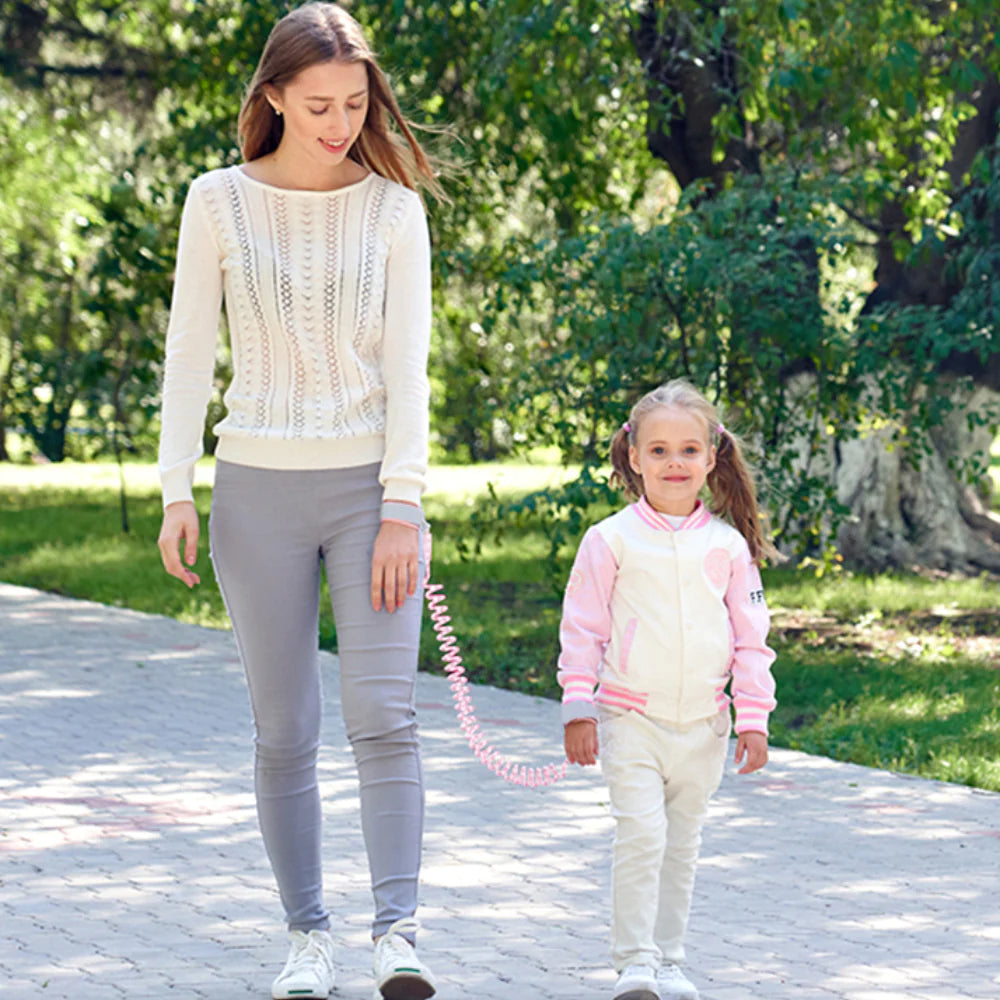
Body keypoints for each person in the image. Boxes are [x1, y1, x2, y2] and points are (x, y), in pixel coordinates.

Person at [156, 5, 443, 999]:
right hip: (254, 490)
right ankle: (306, 938)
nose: (337, 120)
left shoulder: (394, 210)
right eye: (318, 103)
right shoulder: (217, 201)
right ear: (272, 95)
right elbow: (191, 353)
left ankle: (396, 935)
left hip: (373, 493)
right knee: (284, 727)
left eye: (355, 103)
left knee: (384, 713)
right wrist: (174, 488)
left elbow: (408, 368)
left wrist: (403, 501)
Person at [557, 379, 779, 1000]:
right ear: (633, 457)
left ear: (712, 457)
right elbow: (582, 628)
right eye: (658, 451)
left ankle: (671, 959)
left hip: (705, 727)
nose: (674, 463)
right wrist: (579, 706)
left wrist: (754, 717)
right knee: (643, 835)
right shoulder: (610, 540)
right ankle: (635, 961)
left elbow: (751, 639)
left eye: (688, 450)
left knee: (681, 843)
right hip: (630, 719)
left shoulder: (729, 547)